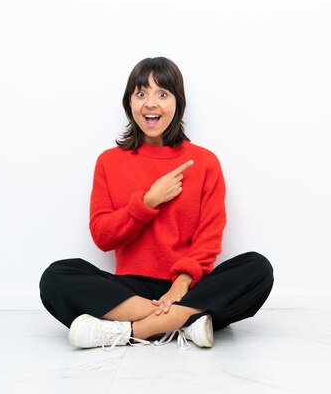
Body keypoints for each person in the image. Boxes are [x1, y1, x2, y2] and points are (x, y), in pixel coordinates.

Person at [39, 57, 274, 350]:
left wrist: (181, 284)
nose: (151, 103)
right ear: (130, 103)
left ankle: (130, 331)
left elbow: (209, 238)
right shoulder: (109, 162)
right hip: (130, 290)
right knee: (56, 277)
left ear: (178, 103)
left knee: (257, 268)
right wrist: (148, 202)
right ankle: (185, 323)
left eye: (162, 94)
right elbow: (102, 236)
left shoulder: (204, 162)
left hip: (188, 286)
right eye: (141, 94)